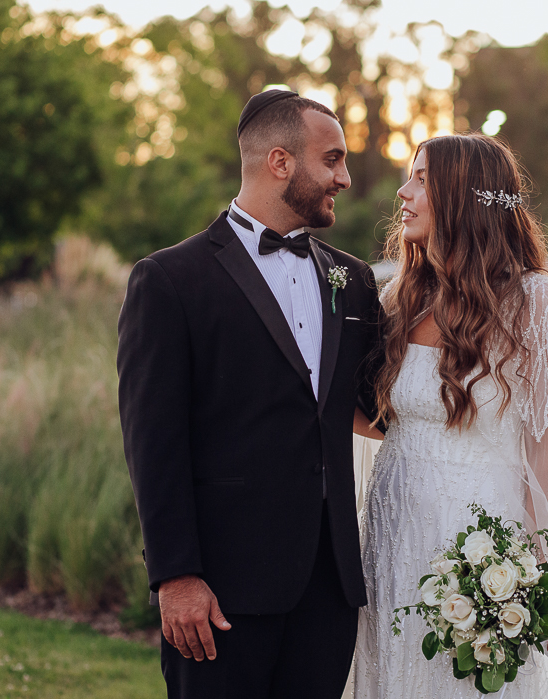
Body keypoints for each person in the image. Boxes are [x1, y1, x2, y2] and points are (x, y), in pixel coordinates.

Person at [351, 134, 548, 699]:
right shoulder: (400, 297)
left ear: (462, 196)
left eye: (420, 179)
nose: (404, 192)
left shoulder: (532, 302)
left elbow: (546, 457)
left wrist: (534, 577)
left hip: (477, 543)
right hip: (393, 532)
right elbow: (381, 418)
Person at [117, 89, 383, 699]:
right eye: (333, 160)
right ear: (280, 162)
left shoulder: (355, 280)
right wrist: (176, 577)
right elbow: (153, 441)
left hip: (329, 587)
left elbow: (378, 405)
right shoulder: (169, 281)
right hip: (220, 590)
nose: (344, 177)